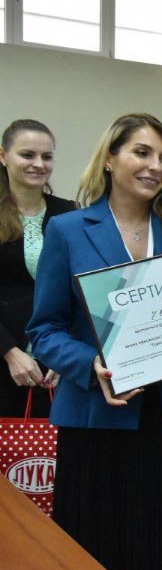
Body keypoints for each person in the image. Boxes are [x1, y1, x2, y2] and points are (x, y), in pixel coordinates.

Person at [26, 114, 162, 570]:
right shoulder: (68, 230)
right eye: (141, 152)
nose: (155, 166)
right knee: (106, 549)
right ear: (109, 159)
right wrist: (91, 366)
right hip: (100, 422)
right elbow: (45, 330)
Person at [0, 119, 74, 418]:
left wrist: (68, 352)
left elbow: (79, 292)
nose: (39, 164)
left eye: (47, 156)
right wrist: (10, 353)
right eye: (27, 155)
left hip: (58, 364)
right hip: (6, 358)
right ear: (3, 156)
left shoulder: (69, 213)